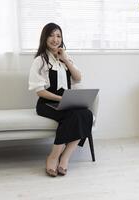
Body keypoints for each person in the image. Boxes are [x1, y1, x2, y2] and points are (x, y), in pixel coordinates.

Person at [29, 23, 93, 177]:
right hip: (47, 103)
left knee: (86, 114)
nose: (55, 39)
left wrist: (65, 59)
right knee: (72, 116)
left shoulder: (65, 58)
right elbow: (40, 91)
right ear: (45, 38)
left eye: (58, 35)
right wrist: (61, 98)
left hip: (65, 102)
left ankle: (65, 157)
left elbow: (78, 78)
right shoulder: (40, 60)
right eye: (51, 35)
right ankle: (53, 157)